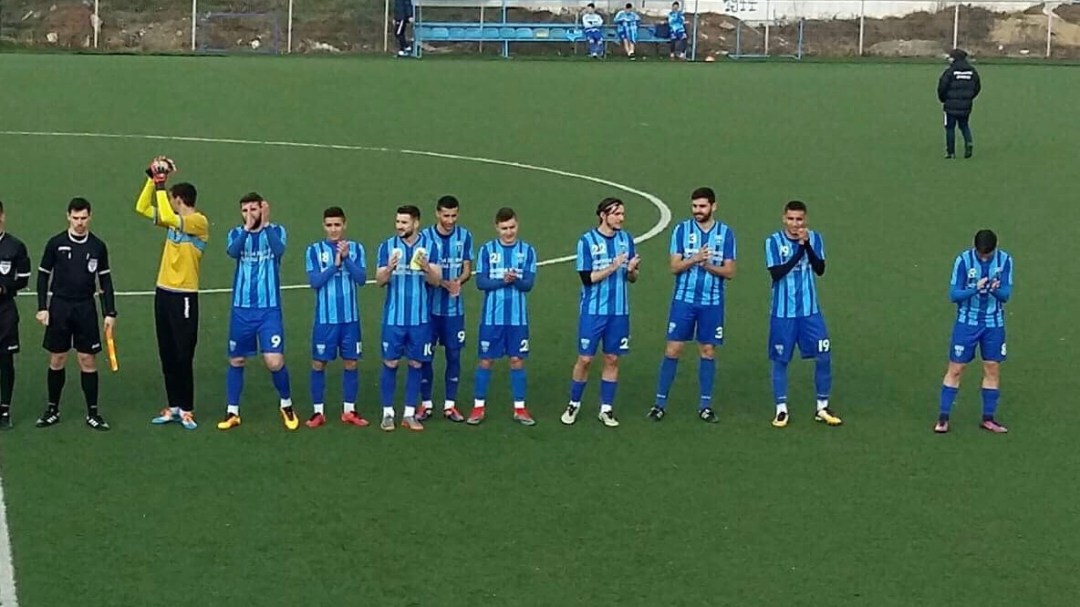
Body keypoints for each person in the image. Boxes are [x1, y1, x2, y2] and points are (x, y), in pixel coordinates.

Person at [648, 187, 735, 423]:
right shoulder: (681, 230)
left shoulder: (725, 233)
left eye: (702, 206)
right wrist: (695, 259)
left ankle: (705, 406)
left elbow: (730, 271)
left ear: (713, 206)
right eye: (695, 206)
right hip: (684, 301)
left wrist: (708, 266)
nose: (698, 210)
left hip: (712, 303)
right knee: (673, 349)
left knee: (707, 350)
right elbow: (674, 267)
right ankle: (659, 404)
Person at [136, 156, 209, 431]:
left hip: (185, 295)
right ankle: (174, 406)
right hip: (164, 292)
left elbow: (167, 215)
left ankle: (187, 408)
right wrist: (150, 179)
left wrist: (161, 184)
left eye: (170, 197)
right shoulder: (172, 222)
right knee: (166, 351)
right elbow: (141, 207)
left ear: (179, 200)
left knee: (183, 353)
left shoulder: (198, 222)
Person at [34, 198, 115, 431]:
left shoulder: (98, 246)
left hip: (85, 307)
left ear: (90, 217)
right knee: (57, 358)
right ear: (68, 216)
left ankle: (93, 413)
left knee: (87, 360)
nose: (80, 222)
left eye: (83, 218)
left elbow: (105, 281)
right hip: (60, 306)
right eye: (76, 218)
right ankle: (52, 410)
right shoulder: (56, 243)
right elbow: (43, 276)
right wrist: (42, 307)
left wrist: (109, 312)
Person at [217, 193, 297, 431]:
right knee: (237, 359)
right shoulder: (235, 233)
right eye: (245, 210)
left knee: (274, 361)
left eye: (253, 209)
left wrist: (266, 224)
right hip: (241, 310)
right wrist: (247, 229)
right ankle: (232, 411)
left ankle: (286, 404)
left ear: (263, 209)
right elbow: (233, 252)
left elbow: (279, 250)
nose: (249, 214)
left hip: (268, 310)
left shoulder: (277, 231)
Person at [562, 198, 639, 428]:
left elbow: (633, 278)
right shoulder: (586, 241)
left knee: (612, 358)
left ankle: (606, 408)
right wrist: (613, 267)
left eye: (622, 213)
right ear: (603, 216)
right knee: (585, 359)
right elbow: (587, 278)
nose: (621, 218)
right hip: (593, 311)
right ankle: (574, 403)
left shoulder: (627, 240)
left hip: (619, 311)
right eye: (616, 214)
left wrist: (631, 270)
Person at [764, 201, 842, 428]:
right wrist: (800, 249)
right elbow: (777, 273)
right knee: (780, 360)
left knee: (824, 355)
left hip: (810, 312)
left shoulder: (815, 238)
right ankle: (781, 409)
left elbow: (820, 269)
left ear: (805, 219)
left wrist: (806, 245)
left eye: (799, 219)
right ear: (784, 219)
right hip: (782, 313)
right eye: (791, 219)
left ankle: (822, 407)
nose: (795, 224)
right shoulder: (773, 242)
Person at [936, 229, 1012, 434]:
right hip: (966, 323)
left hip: (993, 324)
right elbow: (954, 295)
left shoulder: (1005, 260)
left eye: (988, 255)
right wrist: (975, 289)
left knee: (992, 369)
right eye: (981, 254)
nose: (984, 258)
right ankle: (943, 418)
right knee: (956, 368)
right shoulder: (963, 261)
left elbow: (1006, 295)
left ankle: (988, 418)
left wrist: (995, 289)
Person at [468, 207, 538, 426]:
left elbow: (528, 285)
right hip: (492, 319)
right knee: (486, 360)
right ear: (497, 228)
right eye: (504, 228)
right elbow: (481, 282)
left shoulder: (528, 251)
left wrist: (515, 280)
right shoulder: (487, 250)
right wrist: (503, 281)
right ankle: (478, 407)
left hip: (517, 319)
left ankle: (520, 408)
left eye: (512, 227)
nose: (509, 232)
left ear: (517, 225)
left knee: (517, 360)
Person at [375, 205, 442, 432]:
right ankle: (387, 414)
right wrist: (389, 268)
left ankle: (409, 414)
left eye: (404, 222)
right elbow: (379, 281)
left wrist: (426, 268)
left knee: (416, 363)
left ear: (416, 223)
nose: (399, 226)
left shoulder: (430, 246)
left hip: (419, 319)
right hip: (393, 319)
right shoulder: (387, 246)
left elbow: (436, 281)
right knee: (390, 363)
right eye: (398, 222)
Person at [304, 206, 369, 429]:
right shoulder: (314, 250)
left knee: (351, 362)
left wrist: (347, 259)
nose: (333, 229)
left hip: (350, 320)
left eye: (337, 225)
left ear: (344, 225)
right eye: (329, 225)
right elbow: (315, 282)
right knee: (318, 363)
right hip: (325, 320)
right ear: (324, 226)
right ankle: (318, 412)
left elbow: (361, 279)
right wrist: (335, 265)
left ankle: (349, 410)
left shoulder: (356, 248)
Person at [418, 196, 473, 423]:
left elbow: (467, 268)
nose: (450, 220)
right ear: (437, 214)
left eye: (454, 215)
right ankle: (426, 404)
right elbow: (421, 272)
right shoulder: (424, 238)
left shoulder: (465, 236)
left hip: (454, 310)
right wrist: (443, 283)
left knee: (454, 355)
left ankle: (450, 405)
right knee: (425, 357)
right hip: (428, 310)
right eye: (446, 215)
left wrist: (459, 281)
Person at [0, 201, 32, 430]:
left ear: (2, 216)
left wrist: (4, 288)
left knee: (5, 360)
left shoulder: (15, 246)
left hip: (4, 311)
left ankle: (4, 410)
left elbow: (23, 279)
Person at [937, 48, 981, 159]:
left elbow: (942, 87)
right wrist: (969, 97)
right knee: (964, 126)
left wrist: (943, 99)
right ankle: (969, 143)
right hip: (966, 105)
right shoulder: (972, 71)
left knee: (950, 128)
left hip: (950, 105)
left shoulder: (950, 72)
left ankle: (951, 152)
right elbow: (977, 87)